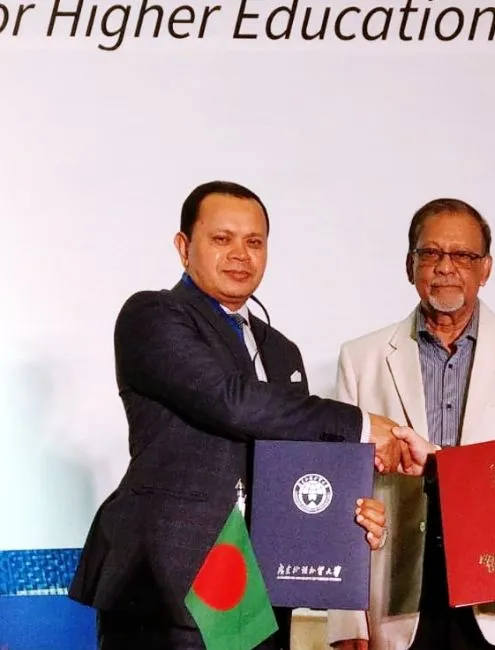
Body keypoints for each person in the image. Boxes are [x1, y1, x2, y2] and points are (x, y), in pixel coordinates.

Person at [68, 181, 426, 650]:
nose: (240, 254)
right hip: (170, 587)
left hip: (260, 595)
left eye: (254, 242)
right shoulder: (153, 315)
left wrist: (348, 516)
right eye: (222, 239)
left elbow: (297, 463)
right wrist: (361, 426)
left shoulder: (281, 351)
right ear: (183, 247)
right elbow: (230, 400)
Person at [326, 198, 495, 650]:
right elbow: (343, 490)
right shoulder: (361, 358)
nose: (446, 267)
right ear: (409, 265)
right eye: (431, 253)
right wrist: (346, 622)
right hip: (397, 594)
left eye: (463, 255)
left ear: (486, 268)